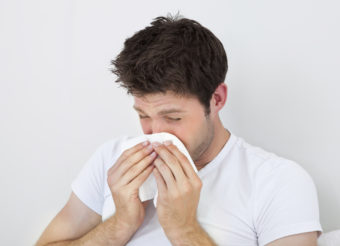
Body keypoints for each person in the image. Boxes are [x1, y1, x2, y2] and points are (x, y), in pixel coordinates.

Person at [36, 14, 322, 246]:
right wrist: (120, 224)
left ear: (217, 99)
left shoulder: (278, 181)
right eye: (143, 115)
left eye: (172, 117)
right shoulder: (111, 159)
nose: (154, 132)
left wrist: (184, 230)